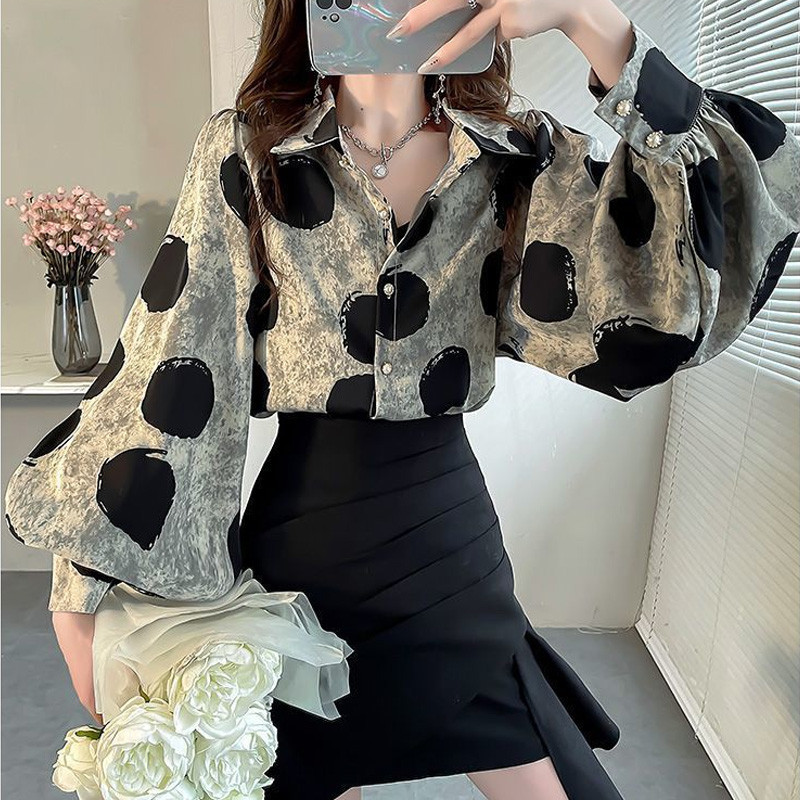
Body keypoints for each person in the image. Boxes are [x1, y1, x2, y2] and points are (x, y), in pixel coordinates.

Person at [5, 0, 800, 797]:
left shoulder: (516, 154)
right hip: (301, 568)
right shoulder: (251, 151)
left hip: (447, 553)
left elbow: (678, 264)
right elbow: (172, 359)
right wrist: (82, 580)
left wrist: (589, 20)